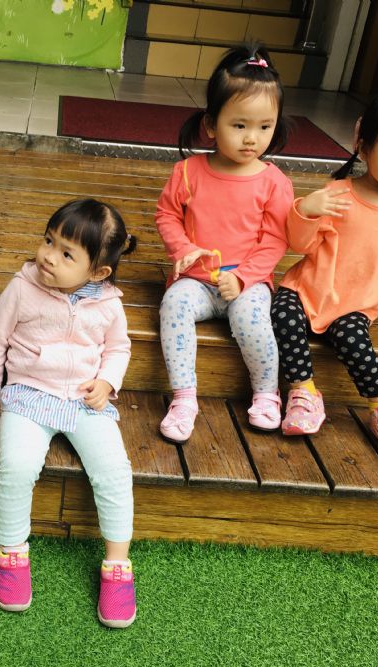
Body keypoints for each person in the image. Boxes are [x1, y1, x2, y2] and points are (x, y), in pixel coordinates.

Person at [0, 199, 138, 628]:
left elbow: (118, 348)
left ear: (98, 272)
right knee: (17, 468)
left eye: (66, 254)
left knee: (114, 472)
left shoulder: (109, 304)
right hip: (28, 395)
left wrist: (107, 382)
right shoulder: (22, 288)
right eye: (48, 241)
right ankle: (12, 552)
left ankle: (118, 564)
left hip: (85, 400)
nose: (48, 256)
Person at [272, 88, 378, 456]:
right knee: (282, 314)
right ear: (364, 147)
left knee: (353, 339)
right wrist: (307, 210)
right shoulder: (339, 194)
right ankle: (303, 392)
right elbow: (300, 243)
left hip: (355, 304)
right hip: (308, 289)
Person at [155, 44, 294, 441]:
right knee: (173, 306)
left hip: (247, 283)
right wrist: (183, 249)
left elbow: (275, 238)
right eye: (240, 125)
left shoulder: (273, 182)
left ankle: (266, 393)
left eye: (265, 127)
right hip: (197, 281)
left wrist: (245, 277)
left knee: (253, 321)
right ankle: (184, 397)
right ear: (212, 125)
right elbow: (166, 214)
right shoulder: (188, 172)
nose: (252, 138)